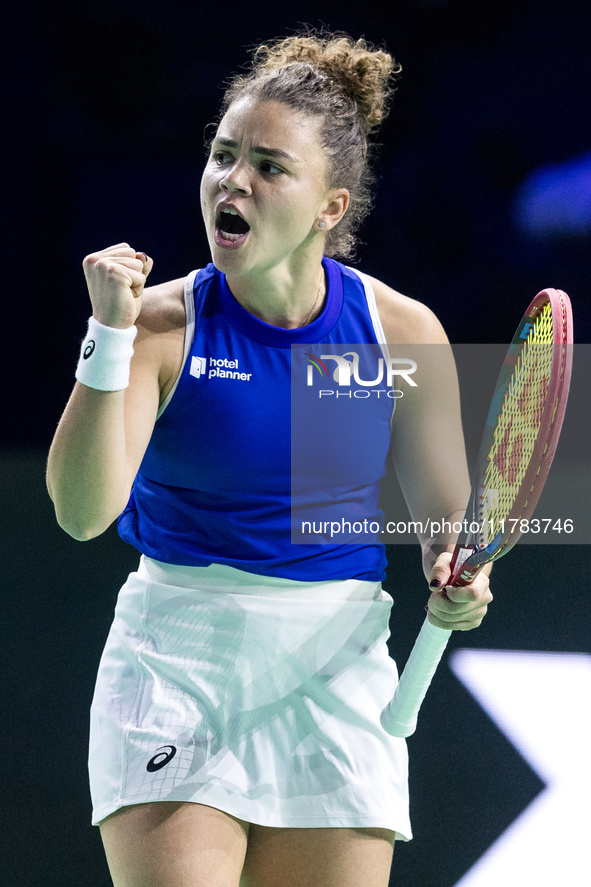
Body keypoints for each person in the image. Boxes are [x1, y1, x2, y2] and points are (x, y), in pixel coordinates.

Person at [47, 30, 492, 887]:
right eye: (222, 154)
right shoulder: (160, 327)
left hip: (334, 663)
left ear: (331, 205)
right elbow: (80, 512)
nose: (231, 180)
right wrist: (107, 335)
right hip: (178, 656)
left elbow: (450, 529)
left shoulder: (398, 334)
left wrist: (459, 581)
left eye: (268, 166)